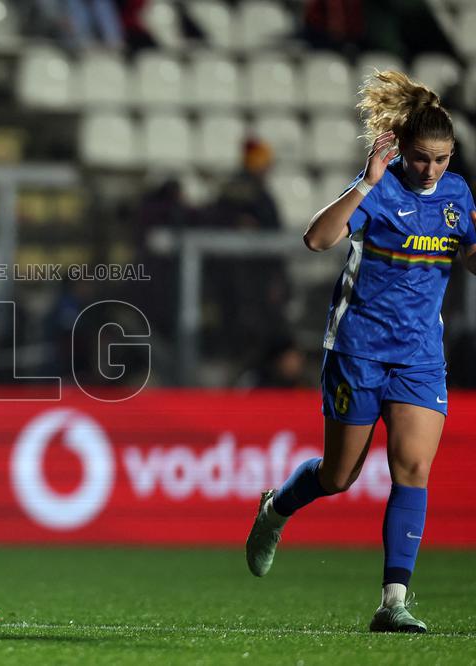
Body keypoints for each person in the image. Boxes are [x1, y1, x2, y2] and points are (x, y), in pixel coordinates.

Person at [245, 70, 476, 633]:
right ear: (402, 150)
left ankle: (393, 601)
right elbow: (317, 239)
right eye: (421, 158)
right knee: (339, 475)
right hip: (359, 349)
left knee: (413, 468)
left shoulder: (457, 194)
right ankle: (276, 509)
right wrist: (366, 182)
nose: (431, 169)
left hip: (420, 354)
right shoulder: (381, 188)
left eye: (441, 159)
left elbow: (470, 257)